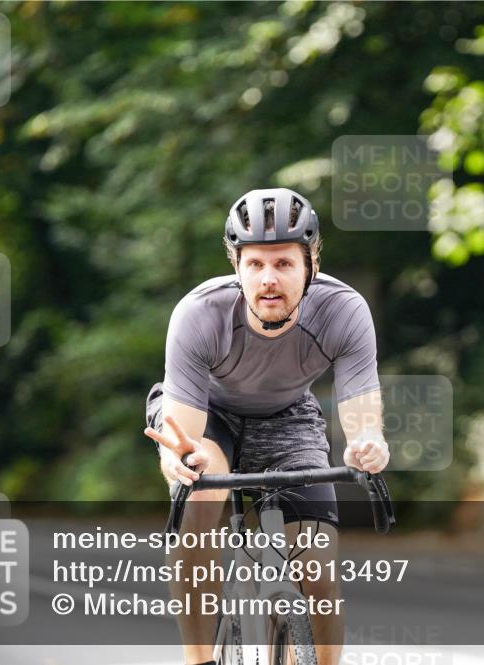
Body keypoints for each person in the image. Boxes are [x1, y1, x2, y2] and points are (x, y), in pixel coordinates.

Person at [144, 187, 389, 665]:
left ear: (310, 266)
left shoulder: (343, 310)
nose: (268, 280)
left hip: (288, 417)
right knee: (203, 496)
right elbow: (188, 435)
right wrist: (179, 460)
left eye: (283, 264)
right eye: (255, 264)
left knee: (317, 567)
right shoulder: (200, 314)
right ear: (236, 266)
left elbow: (363, 423)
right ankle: (200, 661)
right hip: (207, 416)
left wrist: (368, 445)